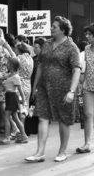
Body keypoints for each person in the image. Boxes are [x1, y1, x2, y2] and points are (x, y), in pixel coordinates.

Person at [25, 16, 81, 162]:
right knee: (42, 117)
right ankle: (39, 152)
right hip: (44, 87)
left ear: (63, 30)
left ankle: (62, 152)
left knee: (64, 119)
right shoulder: (47, 44)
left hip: (63, 89)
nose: (51, 28)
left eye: (54, 27)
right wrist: (34, 86)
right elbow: (41, 66)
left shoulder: (71, 47)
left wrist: (72, 91)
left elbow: (76, 70)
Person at [0, 57, 28, 145]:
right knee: (15, 118)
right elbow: (2, 77)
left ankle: (7, 138)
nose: (6, 65)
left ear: (11, 66)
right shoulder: (10, 75)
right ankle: (23, 135)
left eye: (8, 64)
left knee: (6, 116)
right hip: (9, 96)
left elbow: (20, 90)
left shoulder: (16, 77)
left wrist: (23, 101)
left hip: (12, 97)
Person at [76, 25, 94, 153]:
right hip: (88, 85)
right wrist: (80, 81)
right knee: (87, 114)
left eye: (89, 34)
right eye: (86, 34)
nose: (86, 36)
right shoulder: (87, 49)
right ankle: (87, 144)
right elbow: (85, 67)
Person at [15, 43, 33, 123]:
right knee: (25, 105)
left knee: (18, 106)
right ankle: (23, 127)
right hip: (28, 83)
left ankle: (19, 129)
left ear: (19, 49)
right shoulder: (30, 58)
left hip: (20, 84)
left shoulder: (19, 58)